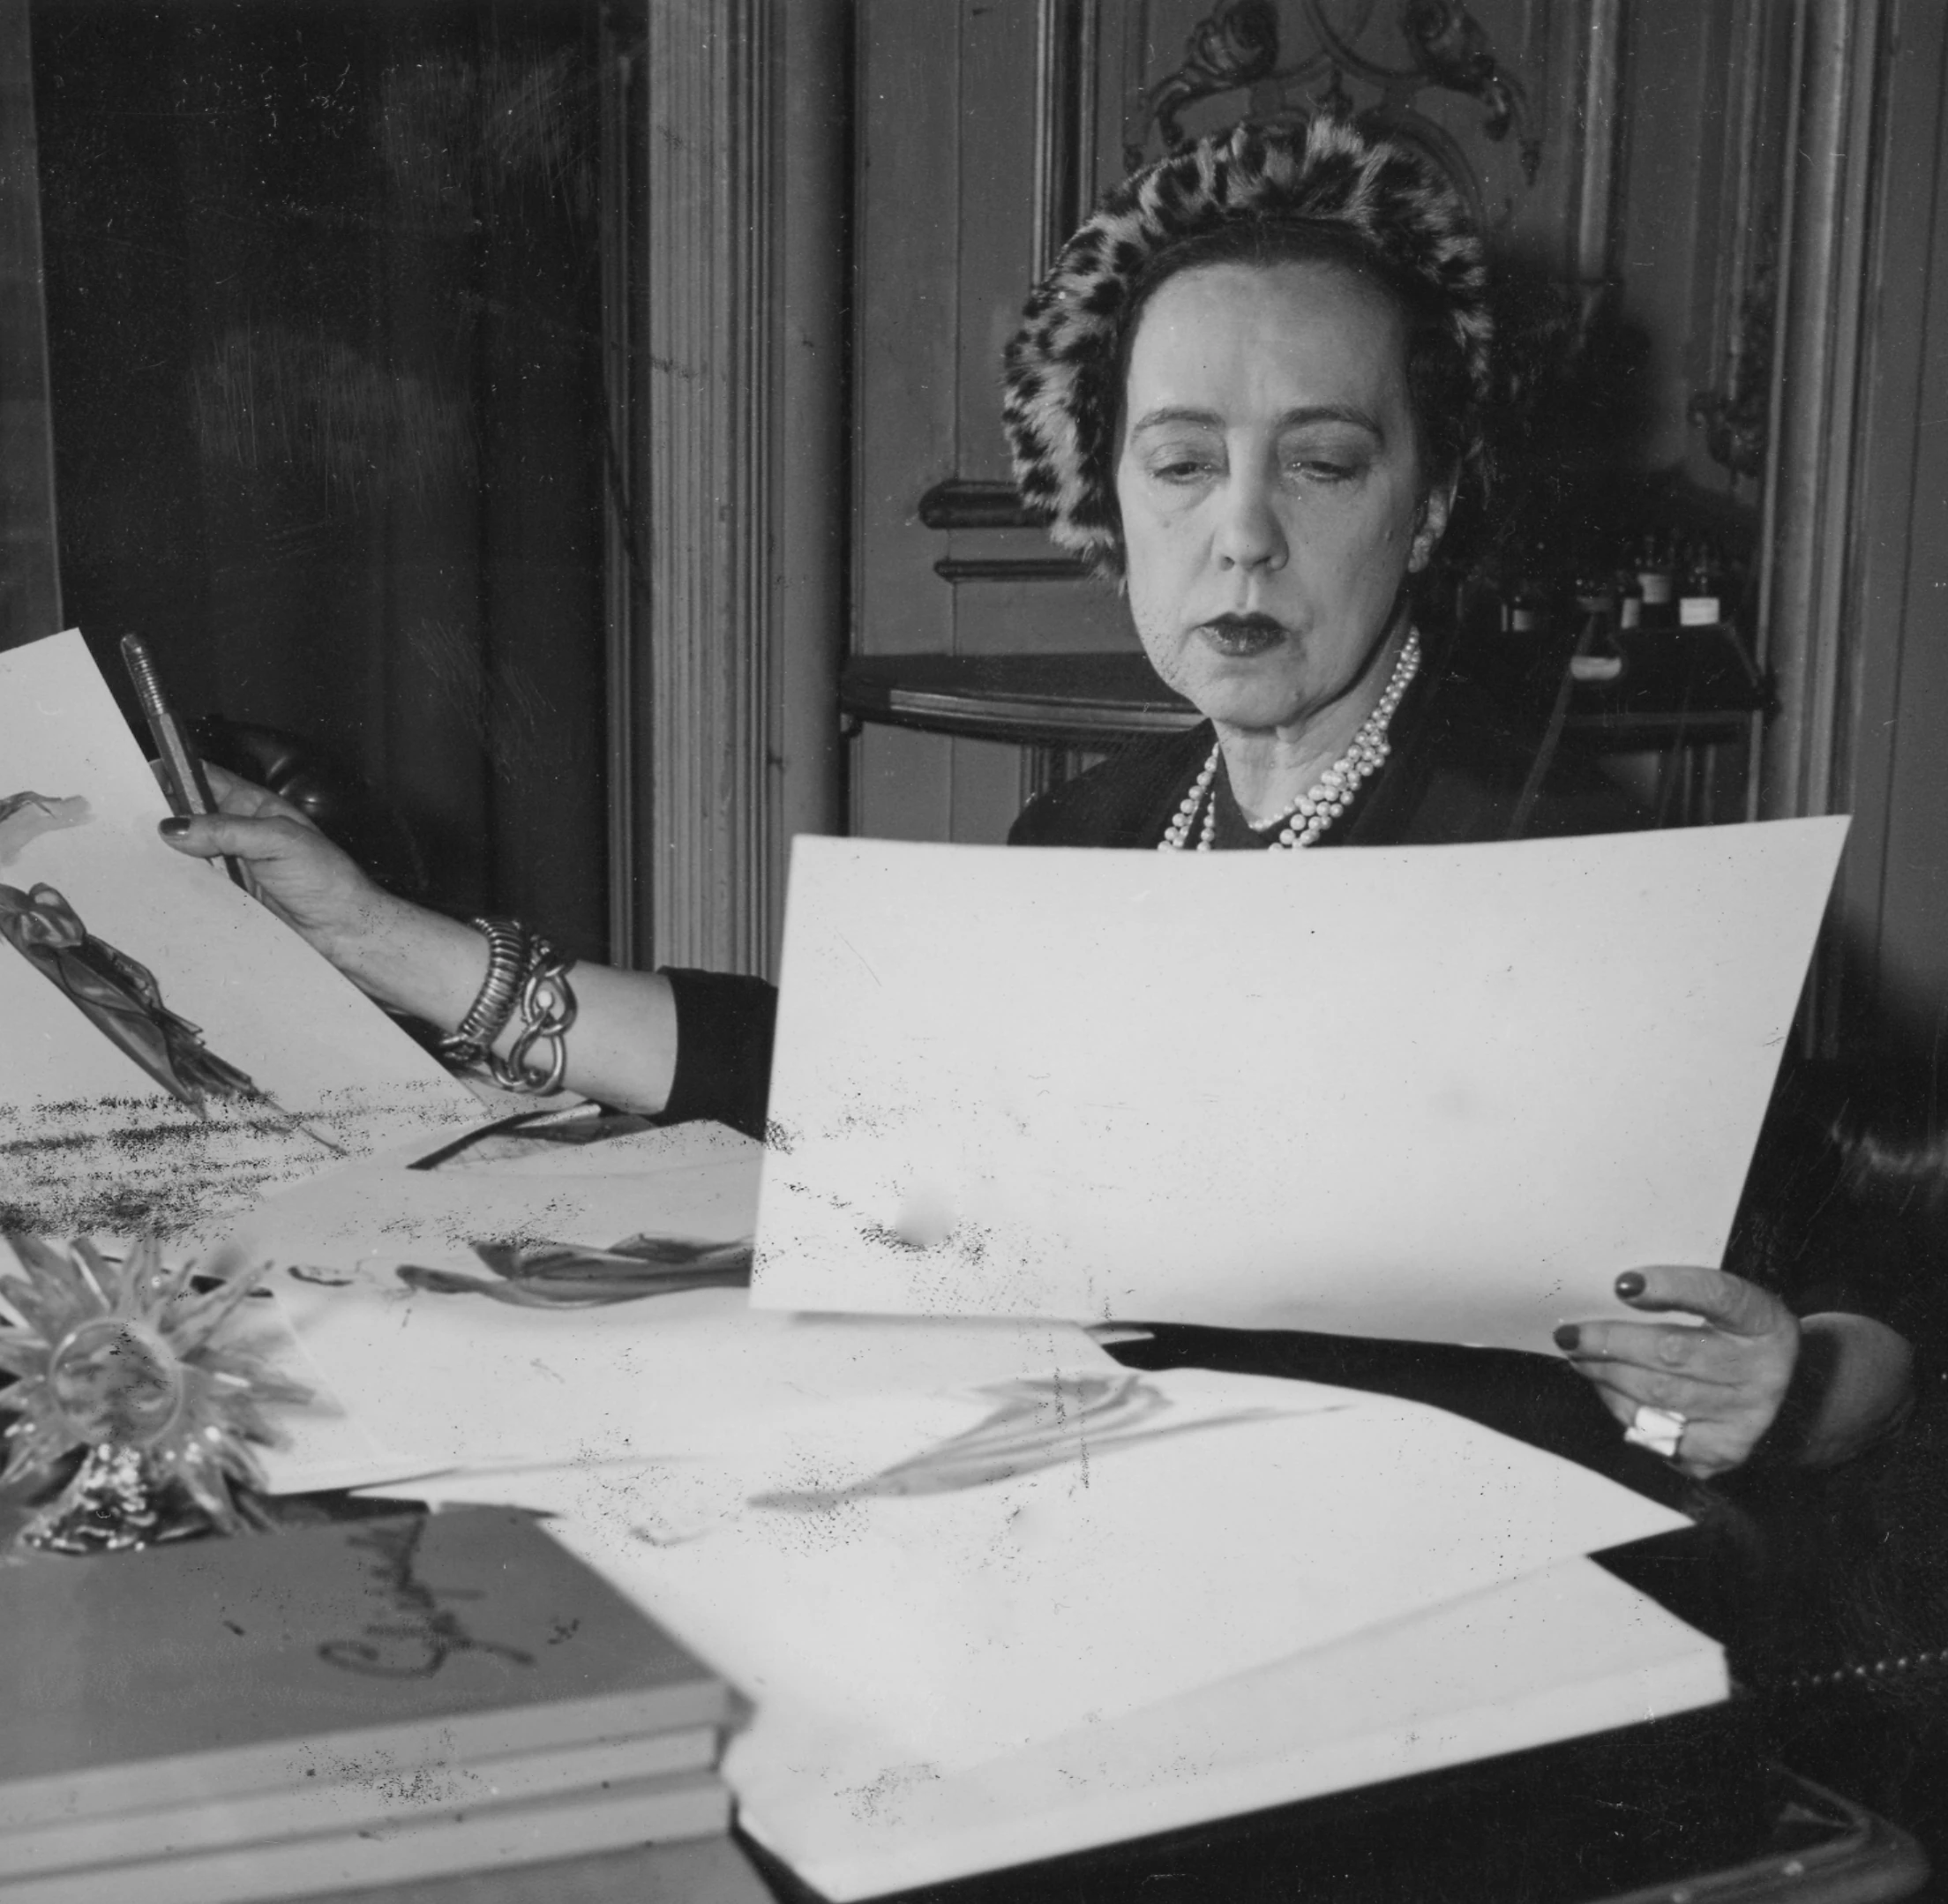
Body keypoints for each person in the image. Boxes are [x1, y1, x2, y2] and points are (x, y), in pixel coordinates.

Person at [161, 115, 1914, 1481]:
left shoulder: (1579, 868)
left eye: (1323, 460)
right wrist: (390, 944)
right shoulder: (1090, 832)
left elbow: (1878, 1296)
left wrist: (1788, 1382)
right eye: (1183, 464)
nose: (1244, 532)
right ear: (1109, 502)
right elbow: (825, 1079)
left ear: (1432, 502)